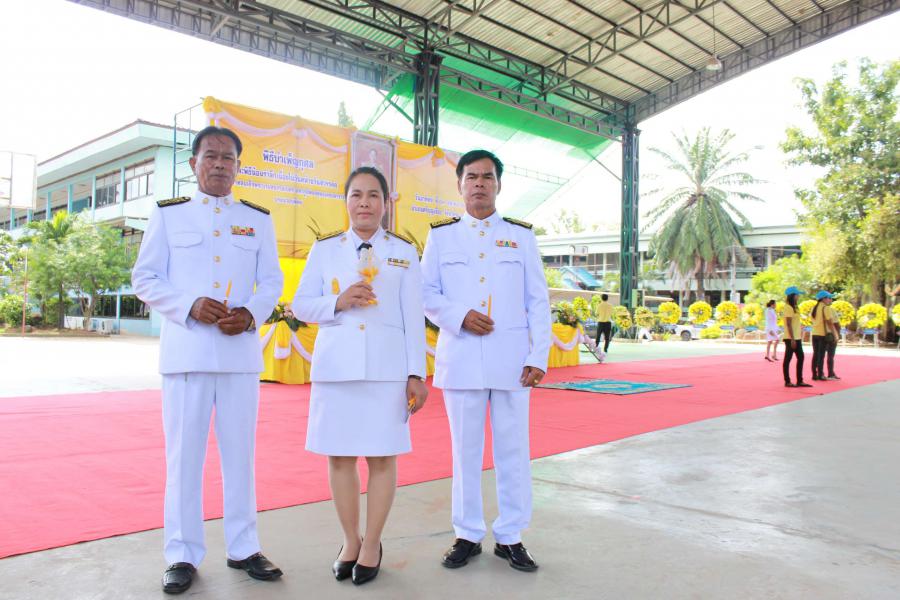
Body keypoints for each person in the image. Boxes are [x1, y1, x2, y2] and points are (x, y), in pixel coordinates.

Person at [132, 126, 284, 594]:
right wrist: (188, 305)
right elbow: (145, 277)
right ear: (194, 163)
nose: (220, 164)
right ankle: (181, 554)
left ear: (238, 166)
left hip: (239, 357)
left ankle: (244, 547)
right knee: (184, 459)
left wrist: (251, 313)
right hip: (187, 355)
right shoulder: (169, 215)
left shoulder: (257, 219)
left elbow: (271, 281)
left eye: (228, 158)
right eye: (211, 156)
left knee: (240, 457)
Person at [292, 166, 427, 586]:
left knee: (382, 457)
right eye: (356, 195)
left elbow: (414, 317)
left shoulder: (404, 252)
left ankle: (373, 543)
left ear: (386, 203)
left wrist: (416, 373)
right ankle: (350, 541)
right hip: (337, 368)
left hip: (387, 370)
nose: (364, 203)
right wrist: (337, 301)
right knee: (340, 457)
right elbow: (301, 305)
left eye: (373, 195)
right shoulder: (325, 249)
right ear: (346, 201)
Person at [421, 149, 551, 573]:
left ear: (498, 184)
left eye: (487, 177)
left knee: (513, 450)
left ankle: (511, 536)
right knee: (465, 452)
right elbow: (425, 293)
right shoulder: (442, 236)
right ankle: (467, 533)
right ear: (460, 184)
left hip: (512, 362)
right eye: (472, 176)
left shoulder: (521, 236)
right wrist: (459, 316)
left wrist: (538, 354)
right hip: (461, 357)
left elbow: (538, 300)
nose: (479, 183)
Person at [781, 286, 812, 388]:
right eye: (797, 295)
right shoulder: (788, 307)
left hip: (796, 337)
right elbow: (788, 324)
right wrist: (792, 339)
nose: (798, 296)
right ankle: (787, 381)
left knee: (801, 357)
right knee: (788, 359)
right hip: (790, 338)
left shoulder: (795, 307)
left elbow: (794, 323)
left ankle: (800, 380)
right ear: (792, 296)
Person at [810, 290, 836, 381]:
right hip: (823, 334)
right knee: (821, 355)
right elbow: (830, 322)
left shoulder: (814, 308)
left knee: (815, 355)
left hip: (814, 333)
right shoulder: (826, 308)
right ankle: (820, 374)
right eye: (829, 298)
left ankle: (814, 374)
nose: (830, 299)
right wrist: (835, 334)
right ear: (823, 299)